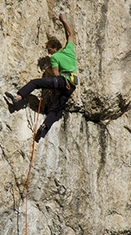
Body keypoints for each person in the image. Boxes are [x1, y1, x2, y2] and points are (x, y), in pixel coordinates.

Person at [5, 13, 78, 141]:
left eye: (49, 50)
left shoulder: (55, 57)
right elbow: (70, 35)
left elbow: (56, 74)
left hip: (61, 81)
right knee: (56, 109)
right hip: (71, 86)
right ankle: (44, 126)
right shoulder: (69, 50)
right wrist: (64, 21)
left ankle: (18, 98)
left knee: (35, 83)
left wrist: (47, 69)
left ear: (54, 48)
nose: (48, 52)